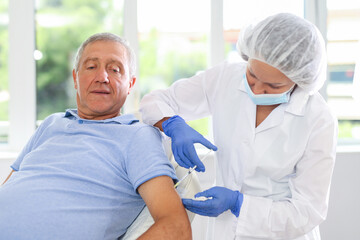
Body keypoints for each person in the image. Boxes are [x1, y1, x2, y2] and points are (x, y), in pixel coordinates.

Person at [139, 13, 338, 240]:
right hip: (224, 231)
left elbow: (308, 211)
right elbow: (154, 101)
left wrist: (239, 204)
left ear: (299, 79)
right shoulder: (226, 77)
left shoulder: (318, 119)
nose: (256, 89)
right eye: (252, 74)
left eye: (272, 85)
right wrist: (172, 124)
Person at [0, 32, 191, 240]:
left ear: (130, 84)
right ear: (75, 78)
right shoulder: (52, 123)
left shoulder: (137, 136)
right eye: (91, 67)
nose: (102, 77)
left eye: (115, 70)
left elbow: (176, 227)